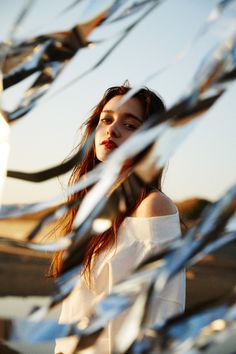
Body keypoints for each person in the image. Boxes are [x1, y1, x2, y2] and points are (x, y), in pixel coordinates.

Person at [52, 83, 186, 354]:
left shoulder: (152, 208)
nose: (112, 129)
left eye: (130, 125)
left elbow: (159, 310)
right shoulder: (89, 206)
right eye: (107, 119)